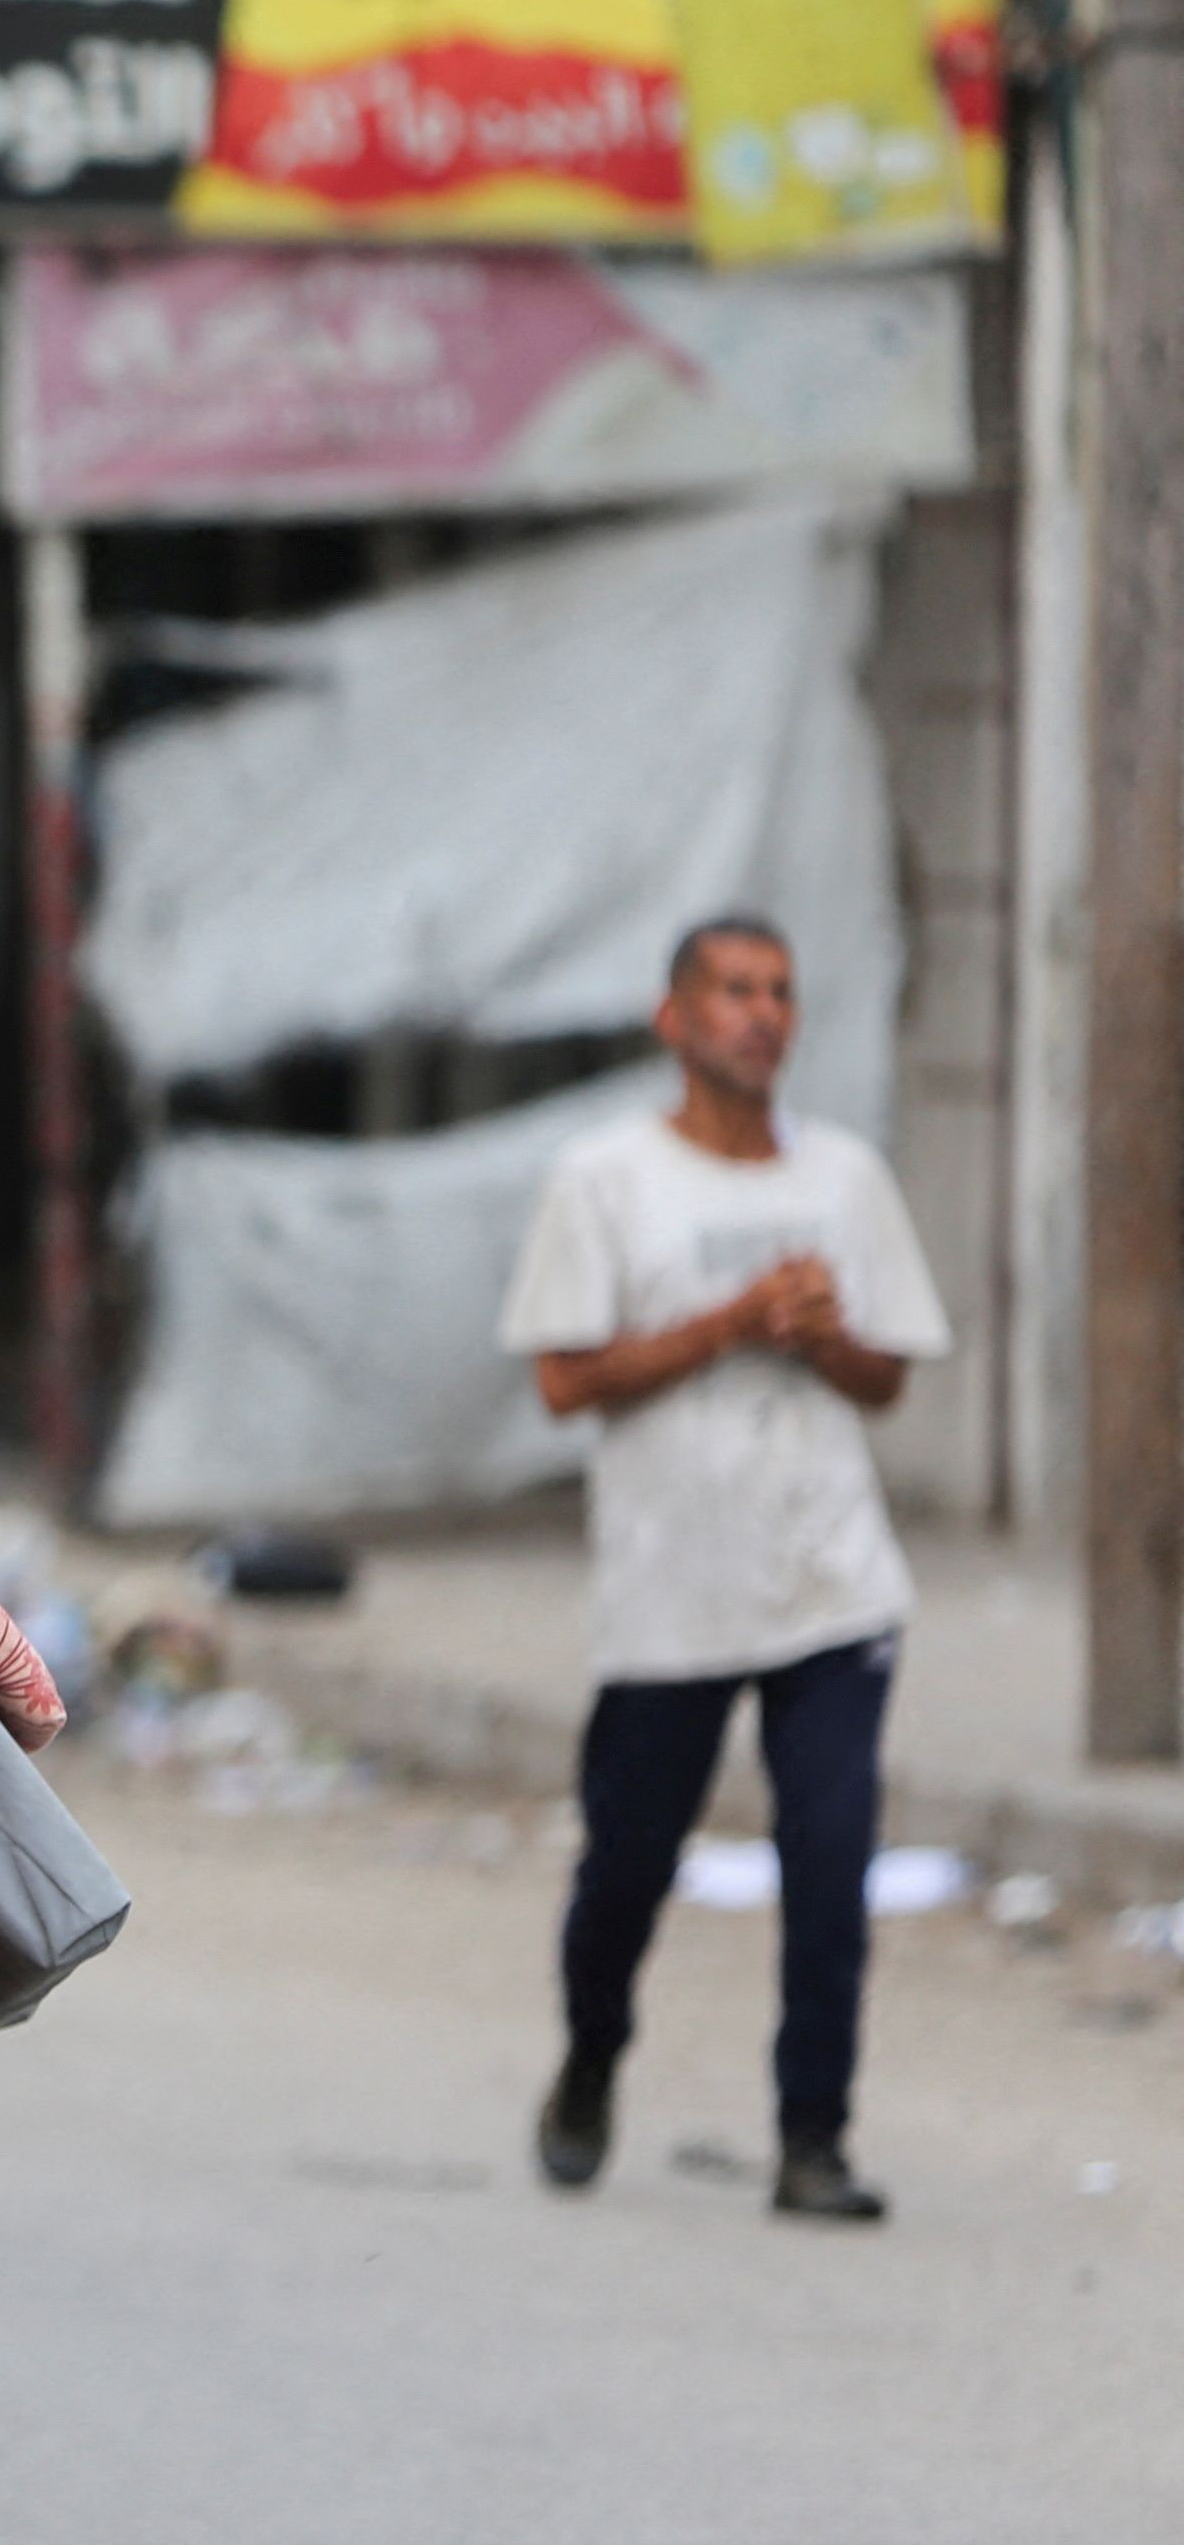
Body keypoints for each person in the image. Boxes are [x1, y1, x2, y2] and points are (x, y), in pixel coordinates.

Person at [497, 915, 951, 2223]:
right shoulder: (604, 1178)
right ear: (674, 1019)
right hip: (666, 1591)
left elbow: (884, 1378)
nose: (759, 1012)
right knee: (623, 1871)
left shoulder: (844, 1178)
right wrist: (720, 1323)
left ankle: (811, 2134)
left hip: (829, 1580)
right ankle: (588, 2058)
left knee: (828, 1858)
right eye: (733, 990)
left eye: (778, 992)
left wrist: (818, 1335)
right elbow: (560, 1377)